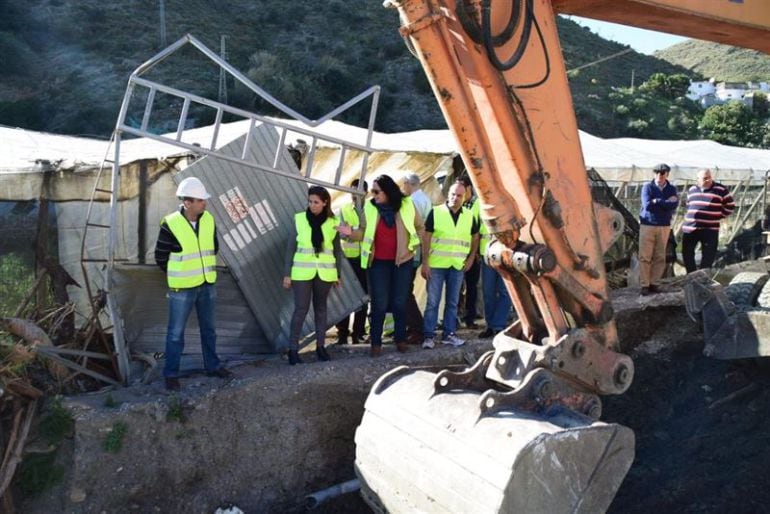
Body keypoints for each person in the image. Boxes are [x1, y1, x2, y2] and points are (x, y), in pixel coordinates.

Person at [154, 177, 231, 391]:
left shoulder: (208, 220)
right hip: (182, 288)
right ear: (187, 203)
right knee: (175, 333)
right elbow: (160, 256)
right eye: (200, 200)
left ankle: (213, 367)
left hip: (207, 284)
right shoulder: (170, 224)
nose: (204, 203)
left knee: (209, 330)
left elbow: (213, 248)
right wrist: (178, 276)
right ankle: (171, 374)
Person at [337, 174, 424, 357]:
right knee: (379, 304)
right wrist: (350, 233)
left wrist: (415, 244)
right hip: (377, 263)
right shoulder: (369, 207)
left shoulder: (407, 204)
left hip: (403, 261)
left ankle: (400, 340)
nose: (373, 195)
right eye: (372, 192)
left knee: (400, 302)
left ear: (388, 191)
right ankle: (376, 344)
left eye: (377, 192)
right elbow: (363, 232)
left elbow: (419, 226)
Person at [283, 186, 343, 365]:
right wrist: (287, 274)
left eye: (316, 202)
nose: (312, 205)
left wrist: (338, 274)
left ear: (325, 203)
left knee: (321, 309)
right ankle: (293, 350)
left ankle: (321, 347)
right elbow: (290, 249)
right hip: (302, 272)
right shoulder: (299, 219)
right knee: (301, 309)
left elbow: (337, 251)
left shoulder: (334, 222)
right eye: (310, 201)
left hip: (325, 271)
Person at [421, 181, 479, 349]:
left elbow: (475, 237)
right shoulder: (436, 212)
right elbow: (426, 237)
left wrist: (470, 258)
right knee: (433, 302)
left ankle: (449, 334)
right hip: (436, 265)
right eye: (453, 194)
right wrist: (425, 263)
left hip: (457, 265)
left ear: (464, 197)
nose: (455, 198)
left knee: (453, 302)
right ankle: (429, 336)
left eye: (459, 195)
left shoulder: (469, 215)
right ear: (448, 194)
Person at [334, 179, 369, 345]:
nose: (354, 195)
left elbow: (370, 233)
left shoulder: (370, 210)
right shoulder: (344, 209)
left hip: (365, 260)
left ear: (365, 193)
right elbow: (340, 232)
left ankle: (358, 333)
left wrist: (352, 232)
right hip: (348, 259)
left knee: (363, 297)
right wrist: (354, 233)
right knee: (345, 297)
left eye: (358, 192)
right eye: (352, 191)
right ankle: (342, 334)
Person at [682, 169, 736, 273]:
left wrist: (717, 216)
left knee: (708, 255)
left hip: (710, 229)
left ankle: (703, 276)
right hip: (691, 228)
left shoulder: (720, 189)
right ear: (697, 179)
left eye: (709, 177)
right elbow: (688, 205)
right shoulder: (692, 189)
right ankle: (691, 274)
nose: (707, 180)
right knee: (687, 253)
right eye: (704, 178)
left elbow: (730, 206)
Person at [638, 163, 679, 295]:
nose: (659, 175)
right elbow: (647, 205)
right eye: (657, 173)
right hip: (647, 224)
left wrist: (657, 201)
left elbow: (674, 205)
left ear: (667, 174)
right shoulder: (647, 187)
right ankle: (644, 284)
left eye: (662, 173)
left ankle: (654, 283)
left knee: (660, 256)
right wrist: (664, 202)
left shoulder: (671, 189)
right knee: (645, 256)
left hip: (664, 225)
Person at [401, 173, 432, 344]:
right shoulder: (425, 199)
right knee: (406, 290)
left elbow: (412, 227)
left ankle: (416, 328)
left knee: (405, 291)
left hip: (411, 251)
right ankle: (413, 327)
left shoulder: (412, 202)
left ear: (407, 184)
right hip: (417, 251)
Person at [477, 225, 513, 338]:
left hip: (505, 256)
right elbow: (476, 233)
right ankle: (491, 326)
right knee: (488, 292)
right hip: (487, 256)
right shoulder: (479, 208)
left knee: (505, 292)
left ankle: (497, 325)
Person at [457, 175, 481, 328]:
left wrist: (475, 253)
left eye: (461, 187)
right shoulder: (456, 204)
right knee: (456, 287)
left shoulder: (477, 204)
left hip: (473, 252)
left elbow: (479, 230)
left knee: (471, 286)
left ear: (469, 188)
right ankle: (456, 316)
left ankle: (470, 317)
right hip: (456, 252)